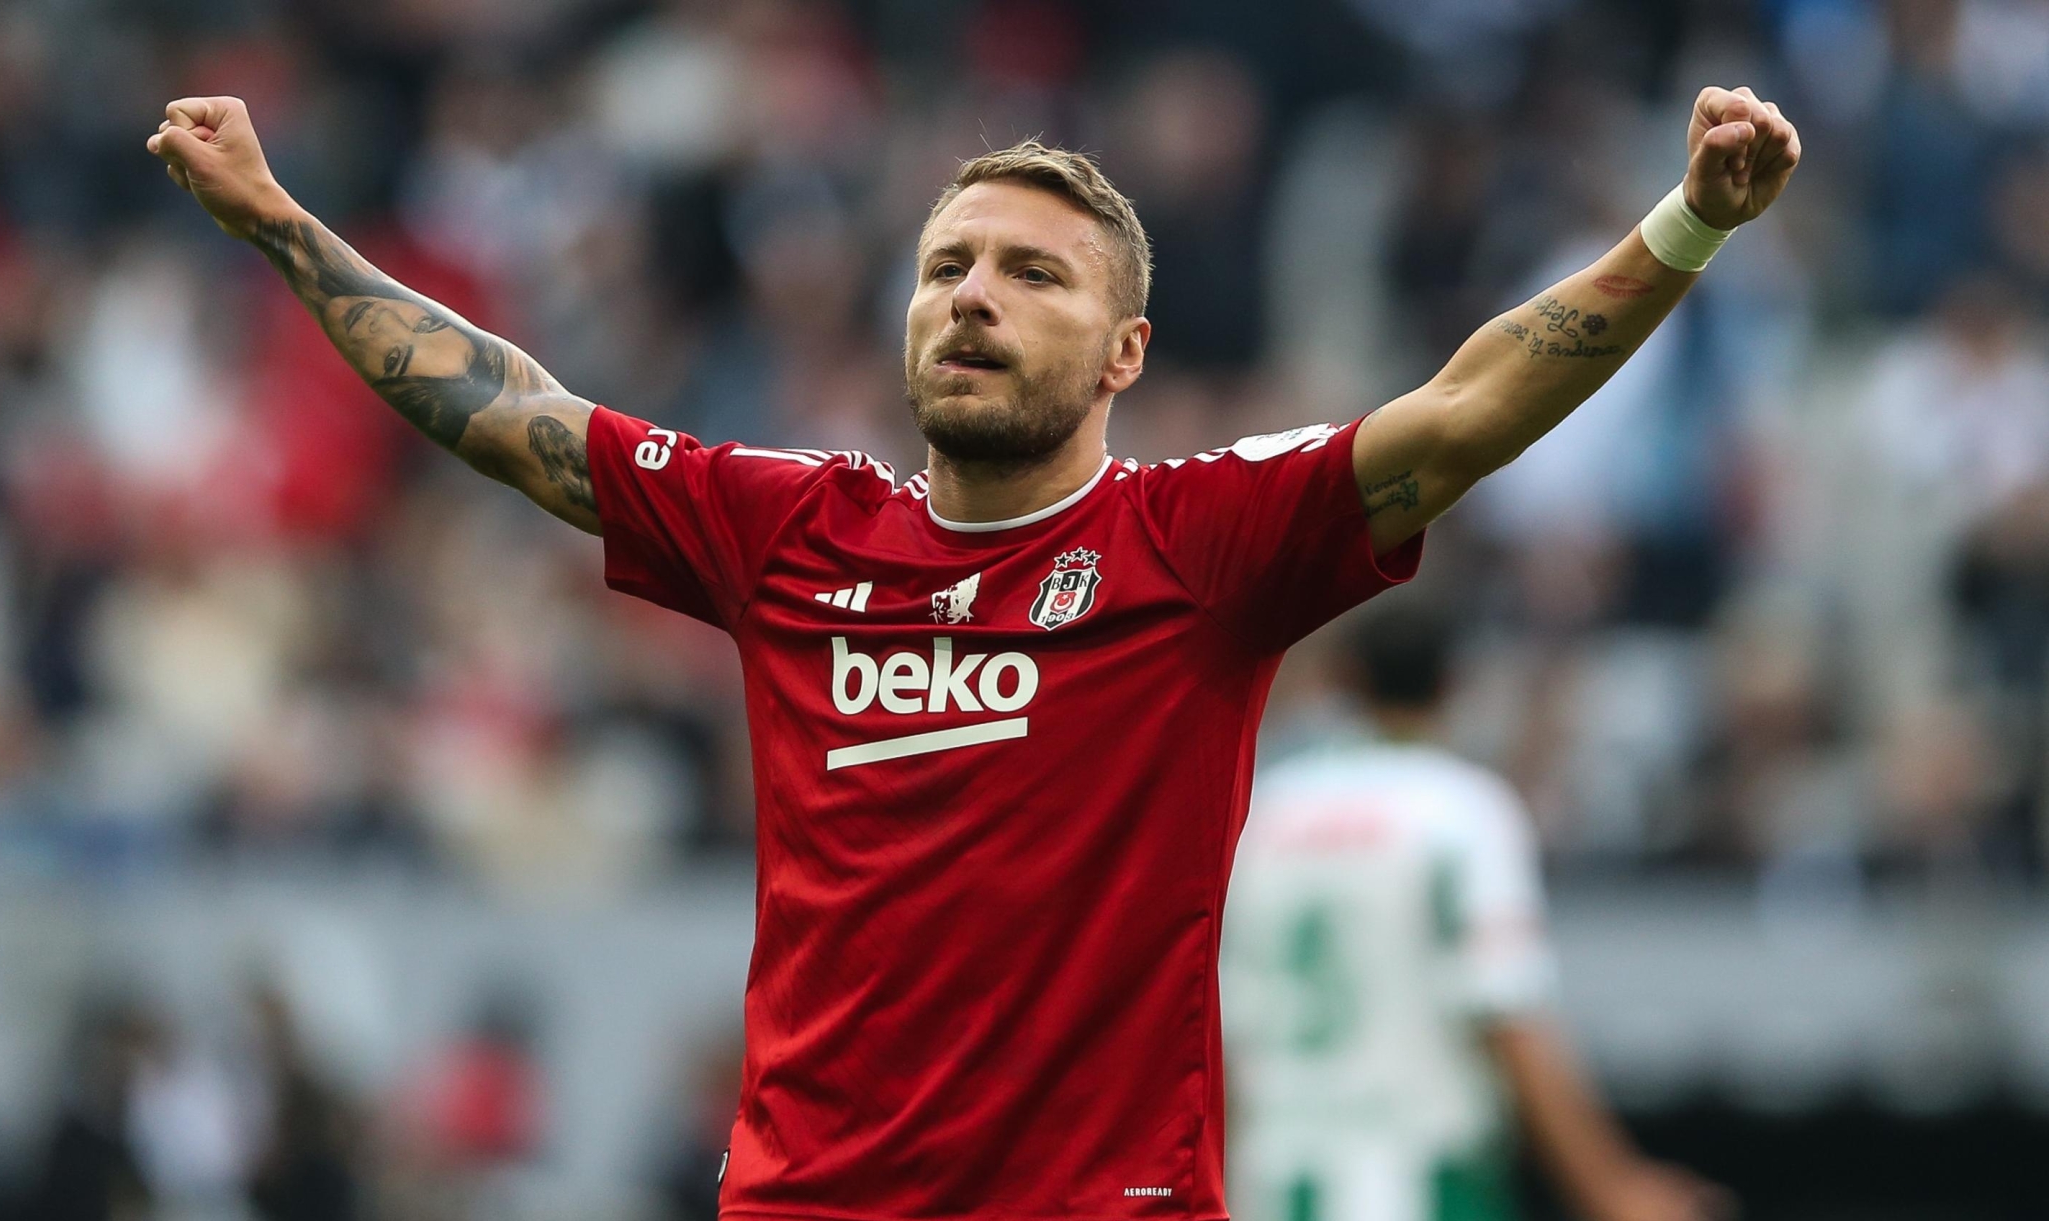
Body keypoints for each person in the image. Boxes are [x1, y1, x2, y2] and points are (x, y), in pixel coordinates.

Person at [144, 86, 1798, 1219]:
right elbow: (520, 418)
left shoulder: (1201, 546)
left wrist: (1687, 226)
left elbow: (1470, 404)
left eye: (1030, 273)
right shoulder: (789, 529)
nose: (973, 299)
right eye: (945, 268)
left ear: (1126, 349)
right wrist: (281, 220)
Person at [1225, 613, 1734, 1221]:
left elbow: (1226, 1031)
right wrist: (1613, 1188)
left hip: (1275, 1181)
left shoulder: (1265, 811)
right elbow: (1506, 1011)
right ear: (1454, 684)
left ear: (1343, 682)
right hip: (1426, 1183)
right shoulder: (1463, 810)